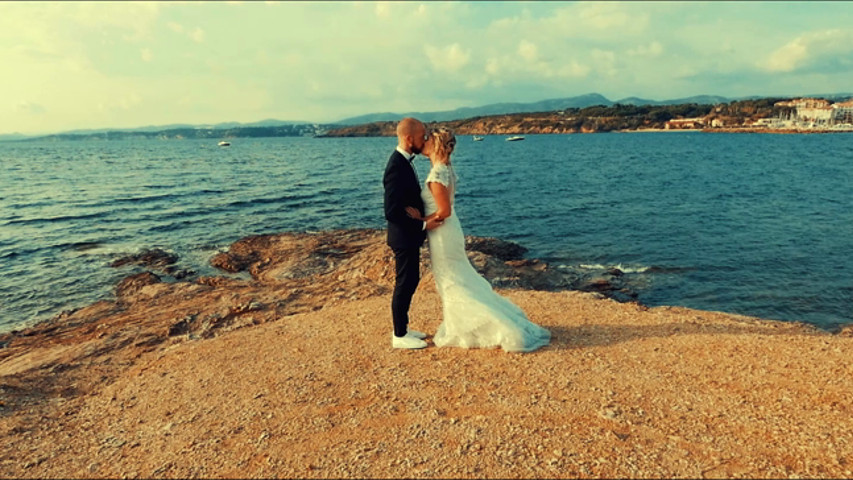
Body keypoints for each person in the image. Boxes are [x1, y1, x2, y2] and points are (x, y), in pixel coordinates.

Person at [406, 127, 551, 352]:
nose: (423, 144)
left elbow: (442, 211)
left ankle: (475, 327)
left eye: (427, 141)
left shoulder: (436, 175)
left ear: (435, 145)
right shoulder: (446, 169)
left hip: (443, 232)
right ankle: (466, 324)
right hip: (450, 229)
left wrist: (420, 219)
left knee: (450, 279)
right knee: (459, 276)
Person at [383, 118, 444, 349]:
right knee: (405, 283)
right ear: (409, 138)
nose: (425, 139)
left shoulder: (404, 161)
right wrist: (421, 225)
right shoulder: (396, 166)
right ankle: (399, 335)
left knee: (410, 280)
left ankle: (404, 329)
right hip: (403, 236)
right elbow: (391, 211)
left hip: (408, 235)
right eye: (422, 136)